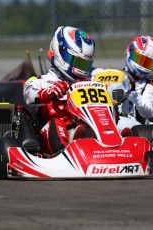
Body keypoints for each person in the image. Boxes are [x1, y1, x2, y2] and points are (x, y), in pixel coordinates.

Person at [23, 26, 95, 155]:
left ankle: (114, 145)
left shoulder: (86, 85)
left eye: (84, 64)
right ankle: (65, 153)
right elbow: (29, 94)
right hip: (51, 134)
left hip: (82, 127)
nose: (81, 68)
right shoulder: (41, 81)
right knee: (57, 124)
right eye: (77, 62)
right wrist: (48, 93)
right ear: (61, 53)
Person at [91, 35, 153, 135]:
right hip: (106, 118)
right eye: (140, 59)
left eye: (148, 63)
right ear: (130, 53)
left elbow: (149, 113)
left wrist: (136, 98)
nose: (142, 66)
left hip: (135, 127)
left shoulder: (148, 86)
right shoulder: (114, 75)